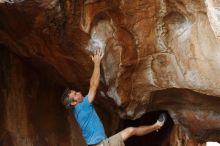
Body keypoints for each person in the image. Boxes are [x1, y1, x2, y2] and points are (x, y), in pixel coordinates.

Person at [61, 49, 166, 146]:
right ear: (74, 103)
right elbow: (93, 86)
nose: (79, 92)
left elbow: (92, 84)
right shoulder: (82, 107)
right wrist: (97, 62)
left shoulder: (79, 109)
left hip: (104, 143)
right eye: (75, 94)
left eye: (76, 92)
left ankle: (156, 126)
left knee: (131, 131)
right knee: (130, 131)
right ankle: (156, 126)